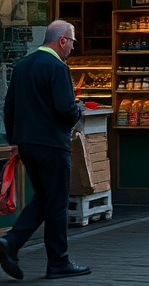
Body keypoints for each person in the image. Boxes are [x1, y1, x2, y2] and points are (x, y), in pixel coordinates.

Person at [0, 20, 90, 280]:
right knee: (57, 203)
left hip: (27, 144)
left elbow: (9, 107)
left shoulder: (22, 66)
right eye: (72, 42)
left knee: (44, 197)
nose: (72, 48)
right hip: (52, 145)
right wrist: (78, 111)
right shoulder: (58, 68)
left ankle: (12, 242)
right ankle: (58, 262)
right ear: (62, 40)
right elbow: (64, 108)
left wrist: (16, 140)